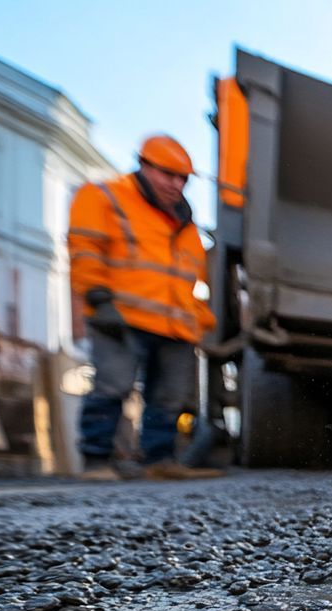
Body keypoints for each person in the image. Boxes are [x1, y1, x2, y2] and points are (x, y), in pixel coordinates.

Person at [68, 135, 221, 480]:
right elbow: (85, 248)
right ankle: (96, 461)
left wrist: (201, 320)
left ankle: (159, 460)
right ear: (143, 165)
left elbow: (194, 279)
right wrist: (96, 297)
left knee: (168, 397)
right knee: (112, 386)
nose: (176, 184)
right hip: (121, 315)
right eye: (168, 174)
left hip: (174, 325)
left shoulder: (186, 225)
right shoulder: (105, 196)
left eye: (183, 178)